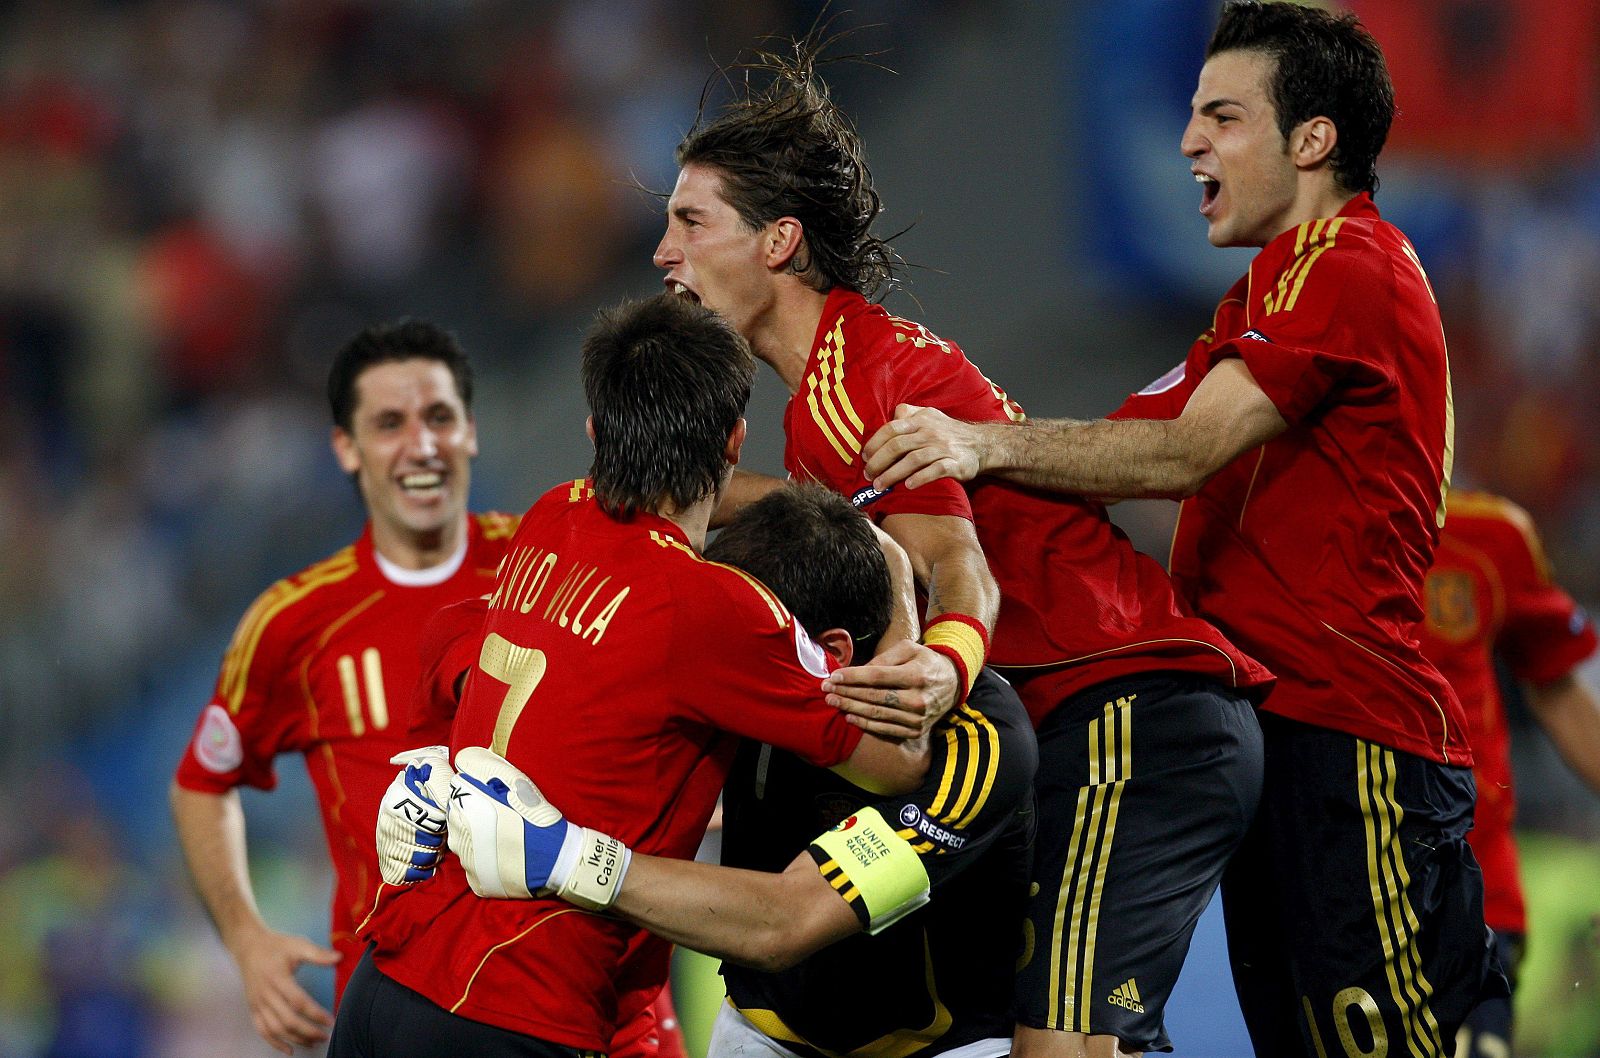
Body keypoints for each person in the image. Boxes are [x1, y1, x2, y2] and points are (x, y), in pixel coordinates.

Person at [862, 3, 1508, 1055]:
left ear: (1312, 141)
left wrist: (972, 444)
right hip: (1291, 744)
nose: (1187, 141)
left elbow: (1177, 455)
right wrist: (937, 458)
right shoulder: (1265, 297)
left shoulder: (1344, 264)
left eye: (1222, 115)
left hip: (1353, 748)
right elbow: (1105, 448)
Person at [650, 35, 1272, 1058]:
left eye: (689, 220)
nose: (664, 251)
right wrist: (664, 490)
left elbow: (954, 568)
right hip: (1087, 734)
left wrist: (940, 664)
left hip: (1134, 717)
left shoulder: (867, 372)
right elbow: (836, 512)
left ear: (776, 242)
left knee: (1055, 1047)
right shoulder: (831, 395)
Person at [337, 293, 931, 1058]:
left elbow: (449, 633)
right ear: (735, 440)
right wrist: (888, 571)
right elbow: (898, 757)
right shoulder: (714, 609)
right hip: (517, 1011)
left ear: (594, 432)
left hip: (389, 979)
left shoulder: (553, 515)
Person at [169, 320, 515, 1055]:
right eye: (389, 424)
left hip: (585, 1000)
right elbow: (202, 783)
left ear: (471, 434)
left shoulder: (547, 565)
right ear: (346, 450)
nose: (421, 446)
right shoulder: (295, 621)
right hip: (399, 1017)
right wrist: (246, 939)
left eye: (439, 418)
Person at [1417, 489, 1600, 1058]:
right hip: (1331, 891)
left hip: (1473, 893)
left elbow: (1557, 685)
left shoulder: (1491, 537)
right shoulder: (1269, 522)